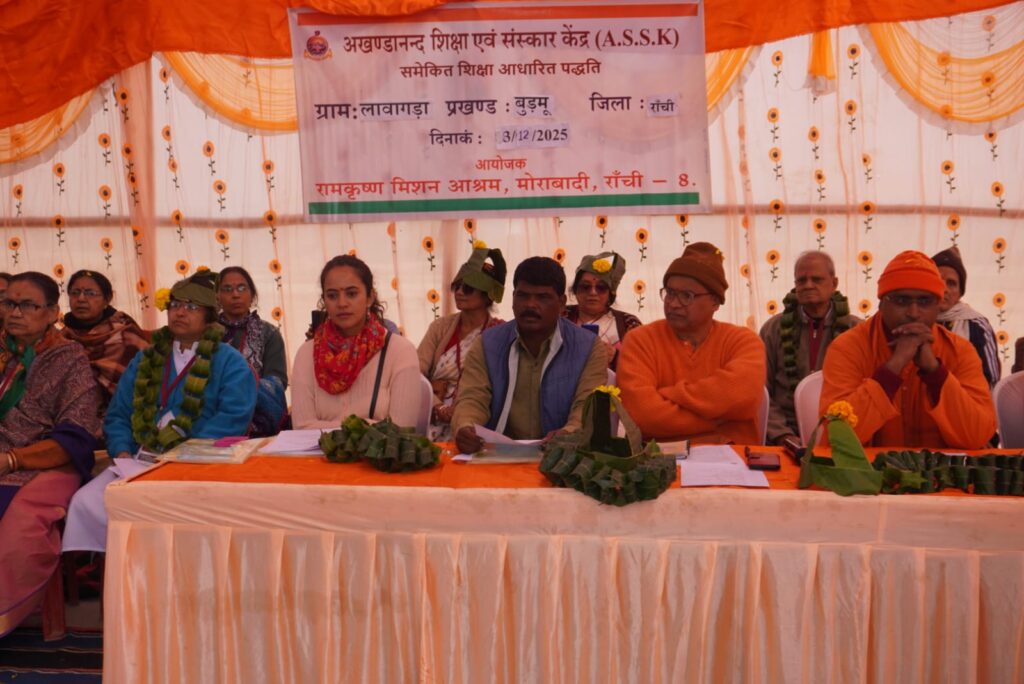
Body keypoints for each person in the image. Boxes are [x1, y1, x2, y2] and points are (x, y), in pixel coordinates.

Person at [62, 270, 256, 553]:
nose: (180, 313)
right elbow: (118, 415)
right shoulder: (146, 358)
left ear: (209, 316)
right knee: (86, 501)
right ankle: (116, 568)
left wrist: (181, 454)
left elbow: (232, 420)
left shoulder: (230, 362)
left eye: (191, 307)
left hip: (197, 464)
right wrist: (123, 451)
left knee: (173, 512)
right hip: (138, 461)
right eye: (175, 305)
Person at [0, 272, 101, 637]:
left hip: (47, 462)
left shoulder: (69, 359)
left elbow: (76, 435)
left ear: (53, 312)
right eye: (9, 303)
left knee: (19, 529)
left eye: (28, 305)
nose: (15, 312)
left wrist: (13, 459)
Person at [819, 250, 996, 449]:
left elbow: (977, 436)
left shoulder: (959, 351)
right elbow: (837, 436)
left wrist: (935, 372)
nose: (913, 313)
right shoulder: (848, 348)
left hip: (940, 468)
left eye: (924, 301)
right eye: (901, 301)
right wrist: (893, 367)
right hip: (868, 468)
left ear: (938, 307)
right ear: (881, 304)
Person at [452, 256, 609, 454]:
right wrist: (466, 426)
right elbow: (472, 397)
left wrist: (568, 434)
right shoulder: (487, 343)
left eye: (542, 297)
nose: (530, 305)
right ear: (513, 299)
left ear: (561, 303)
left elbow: (587, 406)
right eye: (523, 296)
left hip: (562, 457)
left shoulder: (588, 347)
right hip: (496, 456)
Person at [618, 242, 766, 444]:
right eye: (670, 293)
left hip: (735, 455)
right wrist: (718, 418)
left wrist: (668, 395)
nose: (673, 303)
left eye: (686, 296)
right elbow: (642, 415)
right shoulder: (640, 340)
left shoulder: (743, 341)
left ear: (715, 302)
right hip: (659, 457)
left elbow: (744, 398)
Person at [291, 255, 421, 429]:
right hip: (316, 449)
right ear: (324, 301)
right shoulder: (307, 354)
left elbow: (401, 429)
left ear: (370, 298)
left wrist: (326, 428)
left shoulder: (400, 351)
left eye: (351, 294)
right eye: (332, 295)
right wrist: (371, 426)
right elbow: (301, 427)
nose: (342, 303)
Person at [760, 251, 860, 445]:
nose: (808, 285)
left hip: (840, 435)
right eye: (801, 280)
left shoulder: (855, 330)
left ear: (834, 283)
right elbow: (761, 391)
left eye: (816, 279)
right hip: (783, 437)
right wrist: (782, 435)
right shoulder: (773, 329)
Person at [418, 242, 505, 440]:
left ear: (488, 297)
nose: (459, 292)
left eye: (468, 289)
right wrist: (438, 406)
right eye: (457, 286)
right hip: (433, 413)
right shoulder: (440, 327)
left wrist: (463, 410)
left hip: (477, 416)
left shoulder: (498, 333)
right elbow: (416, 372)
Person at [60, 269, 149, 408]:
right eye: (75, 293)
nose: (81, 299)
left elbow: (138, 384)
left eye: (90, 293)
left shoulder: (124, 333)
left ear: (107, 299)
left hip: (119, 411)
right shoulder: (62, 336)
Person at [217, 266, 289, 435]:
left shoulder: (269, 333)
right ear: (217, 297)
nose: (235, 294)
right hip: (214, 416)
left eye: (242, 288)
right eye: (227, 289)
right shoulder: (206, 334)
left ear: (252, 295)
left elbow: (277, 383)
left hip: (260, 420)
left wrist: (236, 390)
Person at [932, 246, 1001, 388]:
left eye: (951, 283)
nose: (944, 289)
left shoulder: (976, 325)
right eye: (937, 280)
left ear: (960, 292)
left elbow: (989, 379)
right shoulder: (914, 318)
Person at [563, 251, 642, 371]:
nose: (593, 292)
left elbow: (644, 366)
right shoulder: (560, 316)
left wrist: (615, 357)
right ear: (575, 290)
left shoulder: (628, 323)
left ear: (610, 293)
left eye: (601, 287)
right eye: (585, 286)